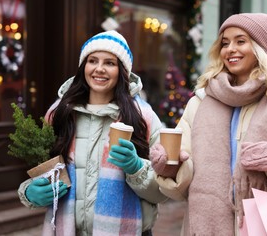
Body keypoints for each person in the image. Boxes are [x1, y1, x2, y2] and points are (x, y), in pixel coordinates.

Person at [149, 13, 267, 235]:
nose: (230, 49)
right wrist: (170, 167)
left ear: (259, 48)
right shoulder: (200, 102)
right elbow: (183, 175)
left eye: (240, 41)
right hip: (207, 226)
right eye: (225, 43)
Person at [17, 30, 167, 235]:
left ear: (122, 71)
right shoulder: (59, 114)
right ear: (83, 67)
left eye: (110, 63)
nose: (99, 69)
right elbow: (44, 170)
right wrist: (30, 192)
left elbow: (163, 190)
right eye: (92, 61)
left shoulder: (143, 118)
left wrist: (137, 168)